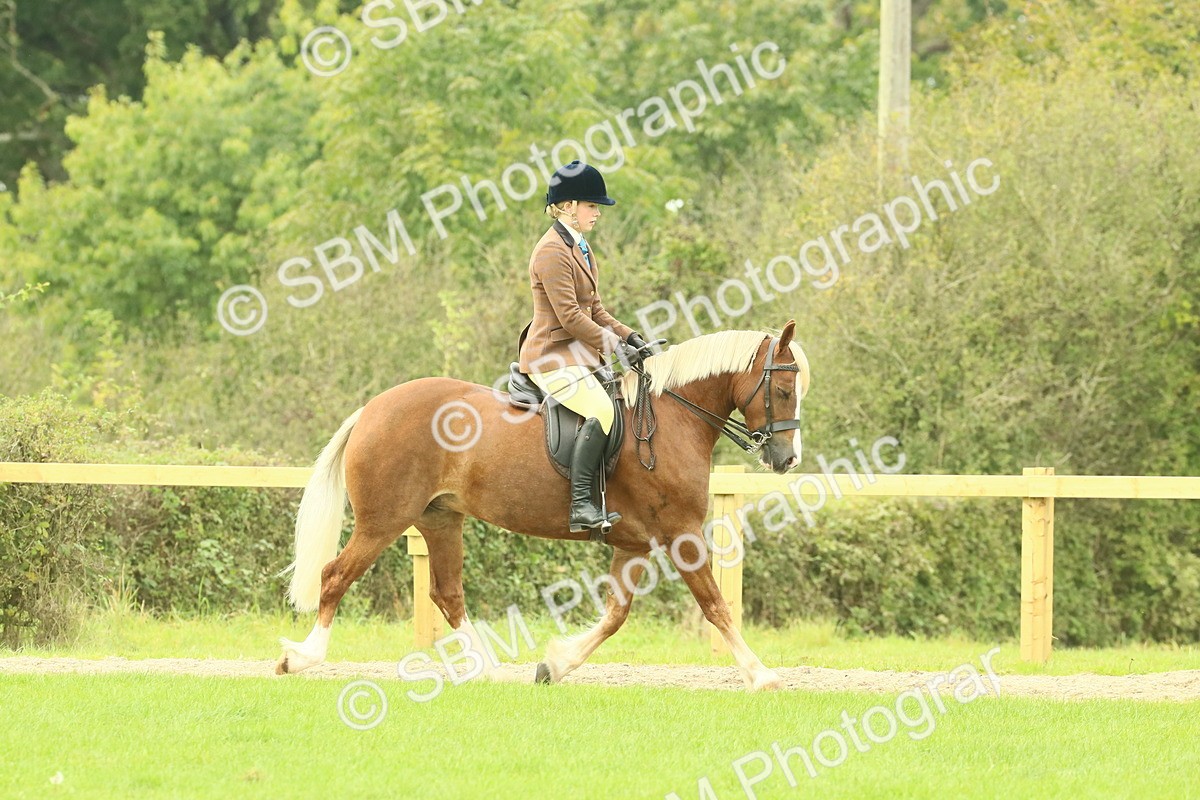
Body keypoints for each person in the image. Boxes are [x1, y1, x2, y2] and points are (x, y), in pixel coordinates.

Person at [517, 160, 650, 533]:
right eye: (592, 206)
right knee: (602, 410)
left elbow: (597, 309)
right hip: (550, 357)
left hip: (577, 356)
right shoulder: (551, 251)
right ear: (569, 205)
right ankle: (581, 506)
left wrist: (630, 337)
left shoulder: (581, 247)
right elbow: (572, 318)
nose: (597, 213)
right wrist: (616, 349)